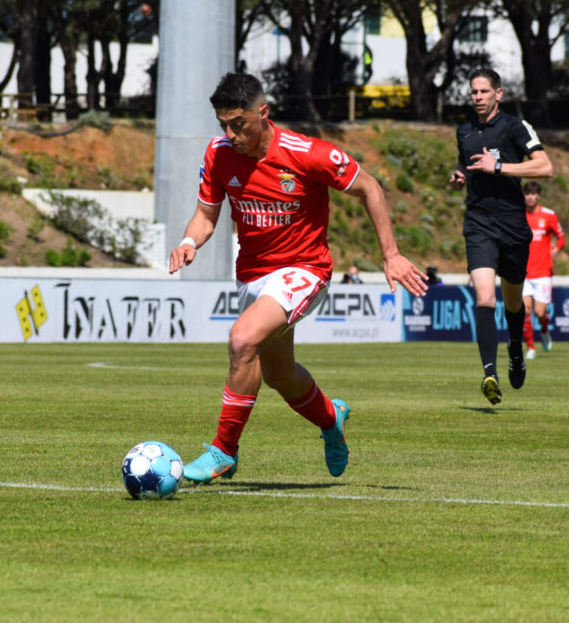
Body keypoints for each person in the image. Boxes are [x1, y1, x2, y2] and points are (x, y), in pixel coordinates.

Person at [169, 72, 427, 483]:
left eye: (239, 124)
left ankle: (223, 451)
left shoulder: (307, 153)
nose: (231, 134)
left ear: (263, 113)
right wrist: (188, 242)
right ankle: (331, 418)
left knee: (241, 339)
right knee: (279, 375)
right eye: (224, 125)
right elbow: (205, 215)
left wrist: (390, 254)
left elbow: (370, 188)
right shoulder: (218, 153)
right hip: (252, 275)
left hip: (303, 270)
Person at [449, 68, 553, 405]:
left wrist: (499, 168)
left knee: (512, 303)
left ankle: (515, 348)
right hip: (478, 223)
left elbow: (544, 167)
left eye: (483, 91)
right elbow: (468, 165)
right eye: (473, 92)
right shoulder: (464, 131)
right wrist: (460, 175)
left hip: (512, 226)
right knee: (484, 298)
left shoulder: (515, 127)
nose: (477, 97)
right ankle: (489, 373)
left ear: (499, 94)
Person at [521, 181, 564, 360]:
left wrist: (556, 249)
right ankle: (531, 348)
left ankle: (545, 331)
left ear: (538, 196)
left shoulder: (549, 215)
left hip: (543, 273)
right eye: (527, 194)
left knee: (540, 313)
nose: (530, 197)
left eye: (533, 194)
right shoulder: (518, 215)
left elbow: (560, 237)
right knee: (525, 311)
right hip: (523, 273)